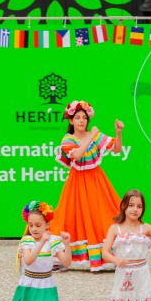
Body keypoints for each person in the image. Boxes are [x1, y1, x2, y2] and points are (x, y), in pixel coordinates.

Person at [51, 100, 124, 271]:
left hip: (96, 179)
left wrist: (118, 133)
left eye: (84, 117)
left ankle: (108, 254)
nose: (81, 120)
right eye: (77, 117)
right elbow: (76, 154)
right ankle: (71, 255)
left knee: (103, 211)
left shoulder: (95, 136)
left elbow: (117, 149)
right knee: (74, 215)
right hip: (77, 182)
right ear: (71, 121)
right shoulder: (68, 139)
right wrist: (91, 136)